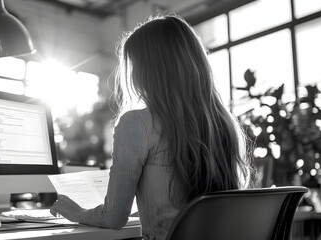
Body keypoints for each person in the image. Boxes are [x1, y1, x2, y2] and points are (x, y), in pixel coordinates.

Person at [51, 14, 254, 240]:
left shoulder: (137, 123)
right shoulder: (225, 124)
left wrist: (77, 212)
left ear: (146, 70)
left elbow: (113, 218)